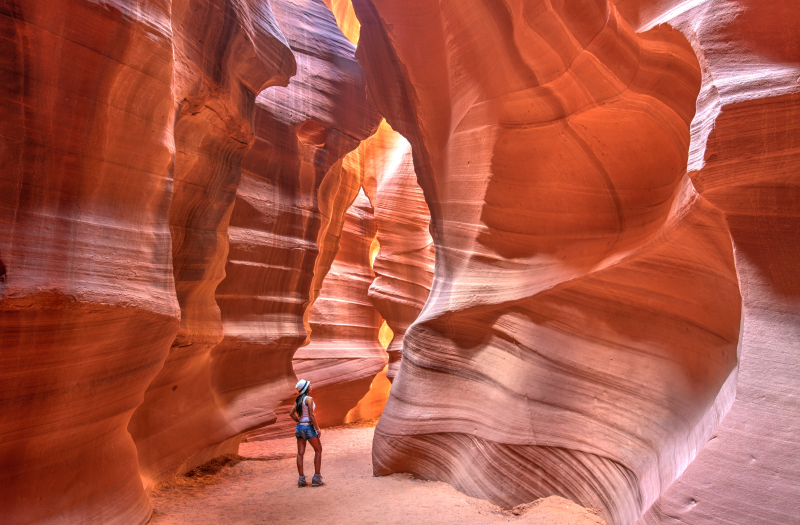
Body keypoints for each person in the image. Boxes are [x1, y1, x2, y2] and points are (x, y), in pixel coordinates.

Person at [289, 379, 323, 487]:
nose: (310, 386)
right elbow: (311, 415)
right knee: (318, 450)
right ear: (306, 388)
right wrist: (317, 429)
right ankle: (316, 478)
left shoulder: (298, 400)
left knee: (300, 453)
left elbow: (291, 413)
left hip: (299, 427)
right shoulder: (309, 399)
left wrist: (299, 421)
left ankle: (301, 480)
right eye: (309, 385)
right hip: (308, 427)